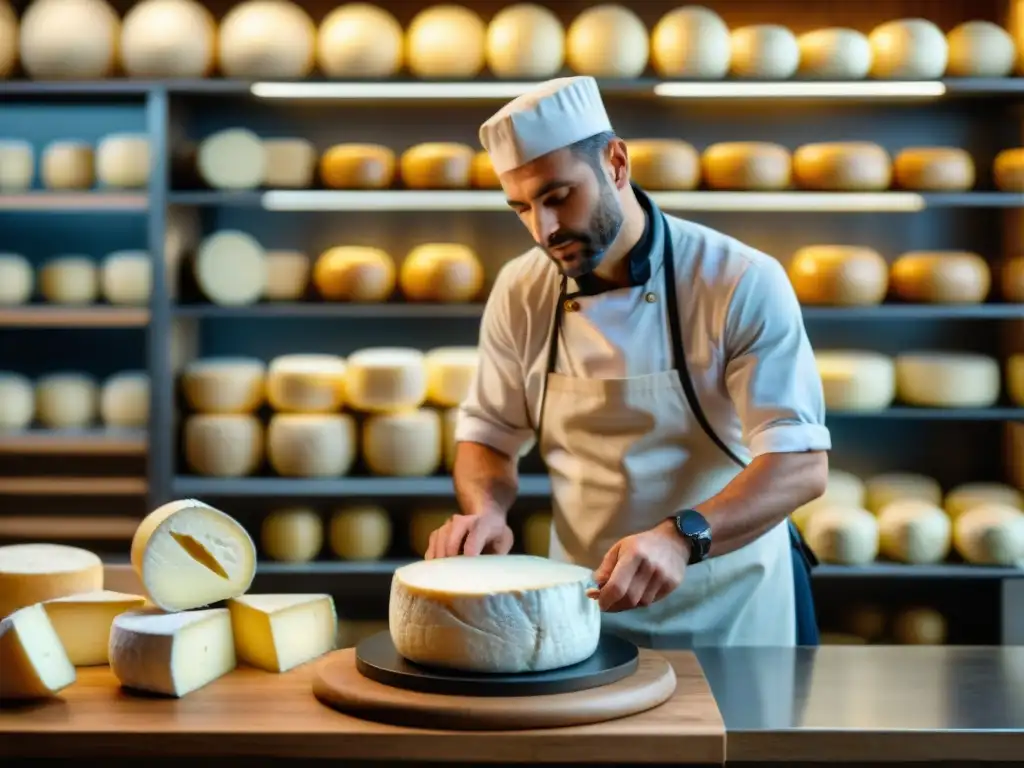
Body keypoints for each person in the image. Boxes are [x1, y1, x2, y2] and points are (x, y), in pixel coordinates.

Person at [424, 76, 831, 648]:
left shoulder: (738, 280)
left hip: (732, 610)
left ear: (616, 162)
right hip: (583, 611)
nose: (544, 230)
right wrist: (487, 509)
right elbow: (490, 433)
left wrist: (681, 536)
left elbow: (800, 465)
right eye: (522, 208)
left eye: (558, 196)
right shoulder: (521, 289)